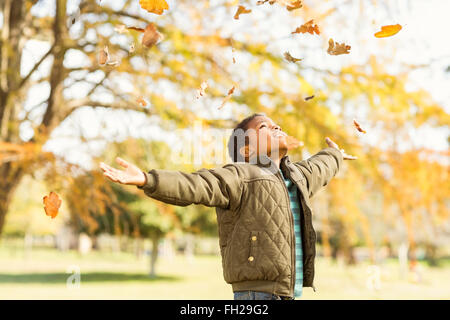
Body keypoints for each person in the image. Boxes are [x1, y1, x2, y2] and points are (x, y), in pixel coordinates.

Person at [99, 112, 357, 300]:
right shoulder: (240, 175)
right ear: (246, 150)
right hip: (256, 296)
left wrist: (334, 155)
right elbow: (196, 184)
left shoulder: (297, 178)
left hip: (289, 293)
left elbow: (319, 167)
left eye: (276, 124)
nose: (276, 126)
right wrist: (148, 179)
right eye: (265, 126)